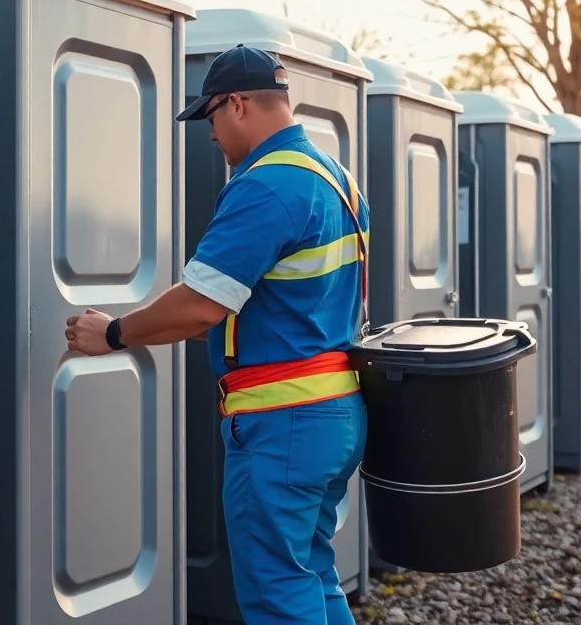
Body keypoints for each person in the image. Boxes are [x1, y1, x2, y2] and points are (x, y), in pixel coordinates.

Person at [65, 44, 371, 624]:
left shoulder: (266, 185)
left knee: (277, 591)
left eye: (210, 118)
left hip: (283, 423)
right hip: (333, 414)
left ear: (237, 105)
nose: (210, 136)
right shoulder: (335, 177)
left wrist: (114, 333)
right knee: (311, 572)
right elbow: (273, 303)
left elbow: (202, 306)